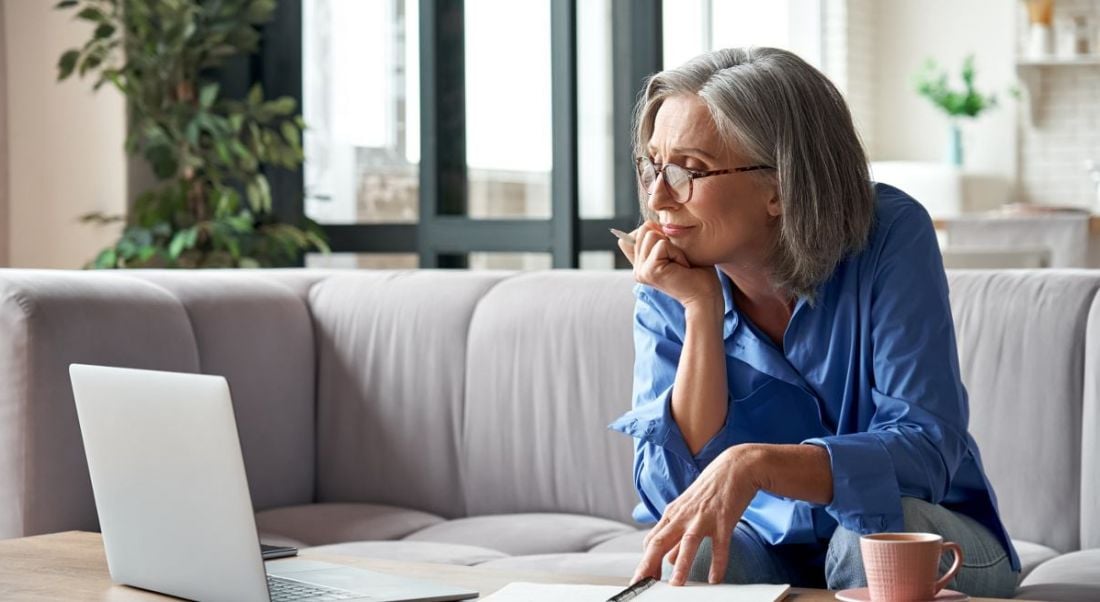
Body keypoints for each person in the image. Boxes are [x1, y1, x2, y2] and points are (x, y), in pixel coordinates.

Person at [608, 47, 1020, 598]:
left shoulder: (890, 235)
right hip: (765, 545)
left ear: (780, 186)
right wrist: (700, 312)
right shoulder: (672, 273)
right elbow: (673, 495)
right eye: (651, 165)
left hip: (927, 533)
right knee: (696, 552)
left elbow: (926, 450)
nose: (658, 197)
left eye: (690, 170)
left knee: (868, 540)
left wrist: (757, 464)